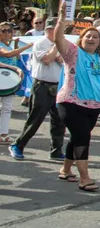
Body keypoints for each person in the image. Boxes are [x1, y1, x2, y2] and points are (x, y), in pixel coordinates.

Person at [51, 10, 100, 191]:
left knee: (77, 137)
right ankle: (85, 178)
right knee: (83, 136)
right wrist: (60, 20)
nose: (91, 38)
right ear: (81, 39)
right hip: (70, 102)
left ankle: (66, 170)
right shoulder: (72, 53)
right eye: (88, 36)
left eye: (95, 37)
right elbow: (58, 39)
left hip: (94, 105)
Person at [10, 17, 65, 160]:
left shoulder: (62, 43)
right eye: (57, 30)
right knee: (36, 119)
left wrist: (58, 53)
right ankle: (18, 145)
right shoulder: (41, 43)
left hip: (58, 86)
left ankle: (56, 150)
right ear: (49, 30)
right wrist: (56, 49)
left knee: (59, 120)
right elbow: (47, 60)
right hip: (42, 85)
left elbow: (65, 60)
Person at [0, 22, 33, 144]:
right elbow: (7, 54)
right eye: (3, 30)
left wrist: (17, 45)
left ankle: (3, 134)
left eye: (9, 30)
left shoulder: (8, 45)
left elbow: (15, 57)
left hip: (9, 80)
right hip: (2, 77)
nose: (7, 33)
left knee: (7, 107)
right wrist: (28, 46)